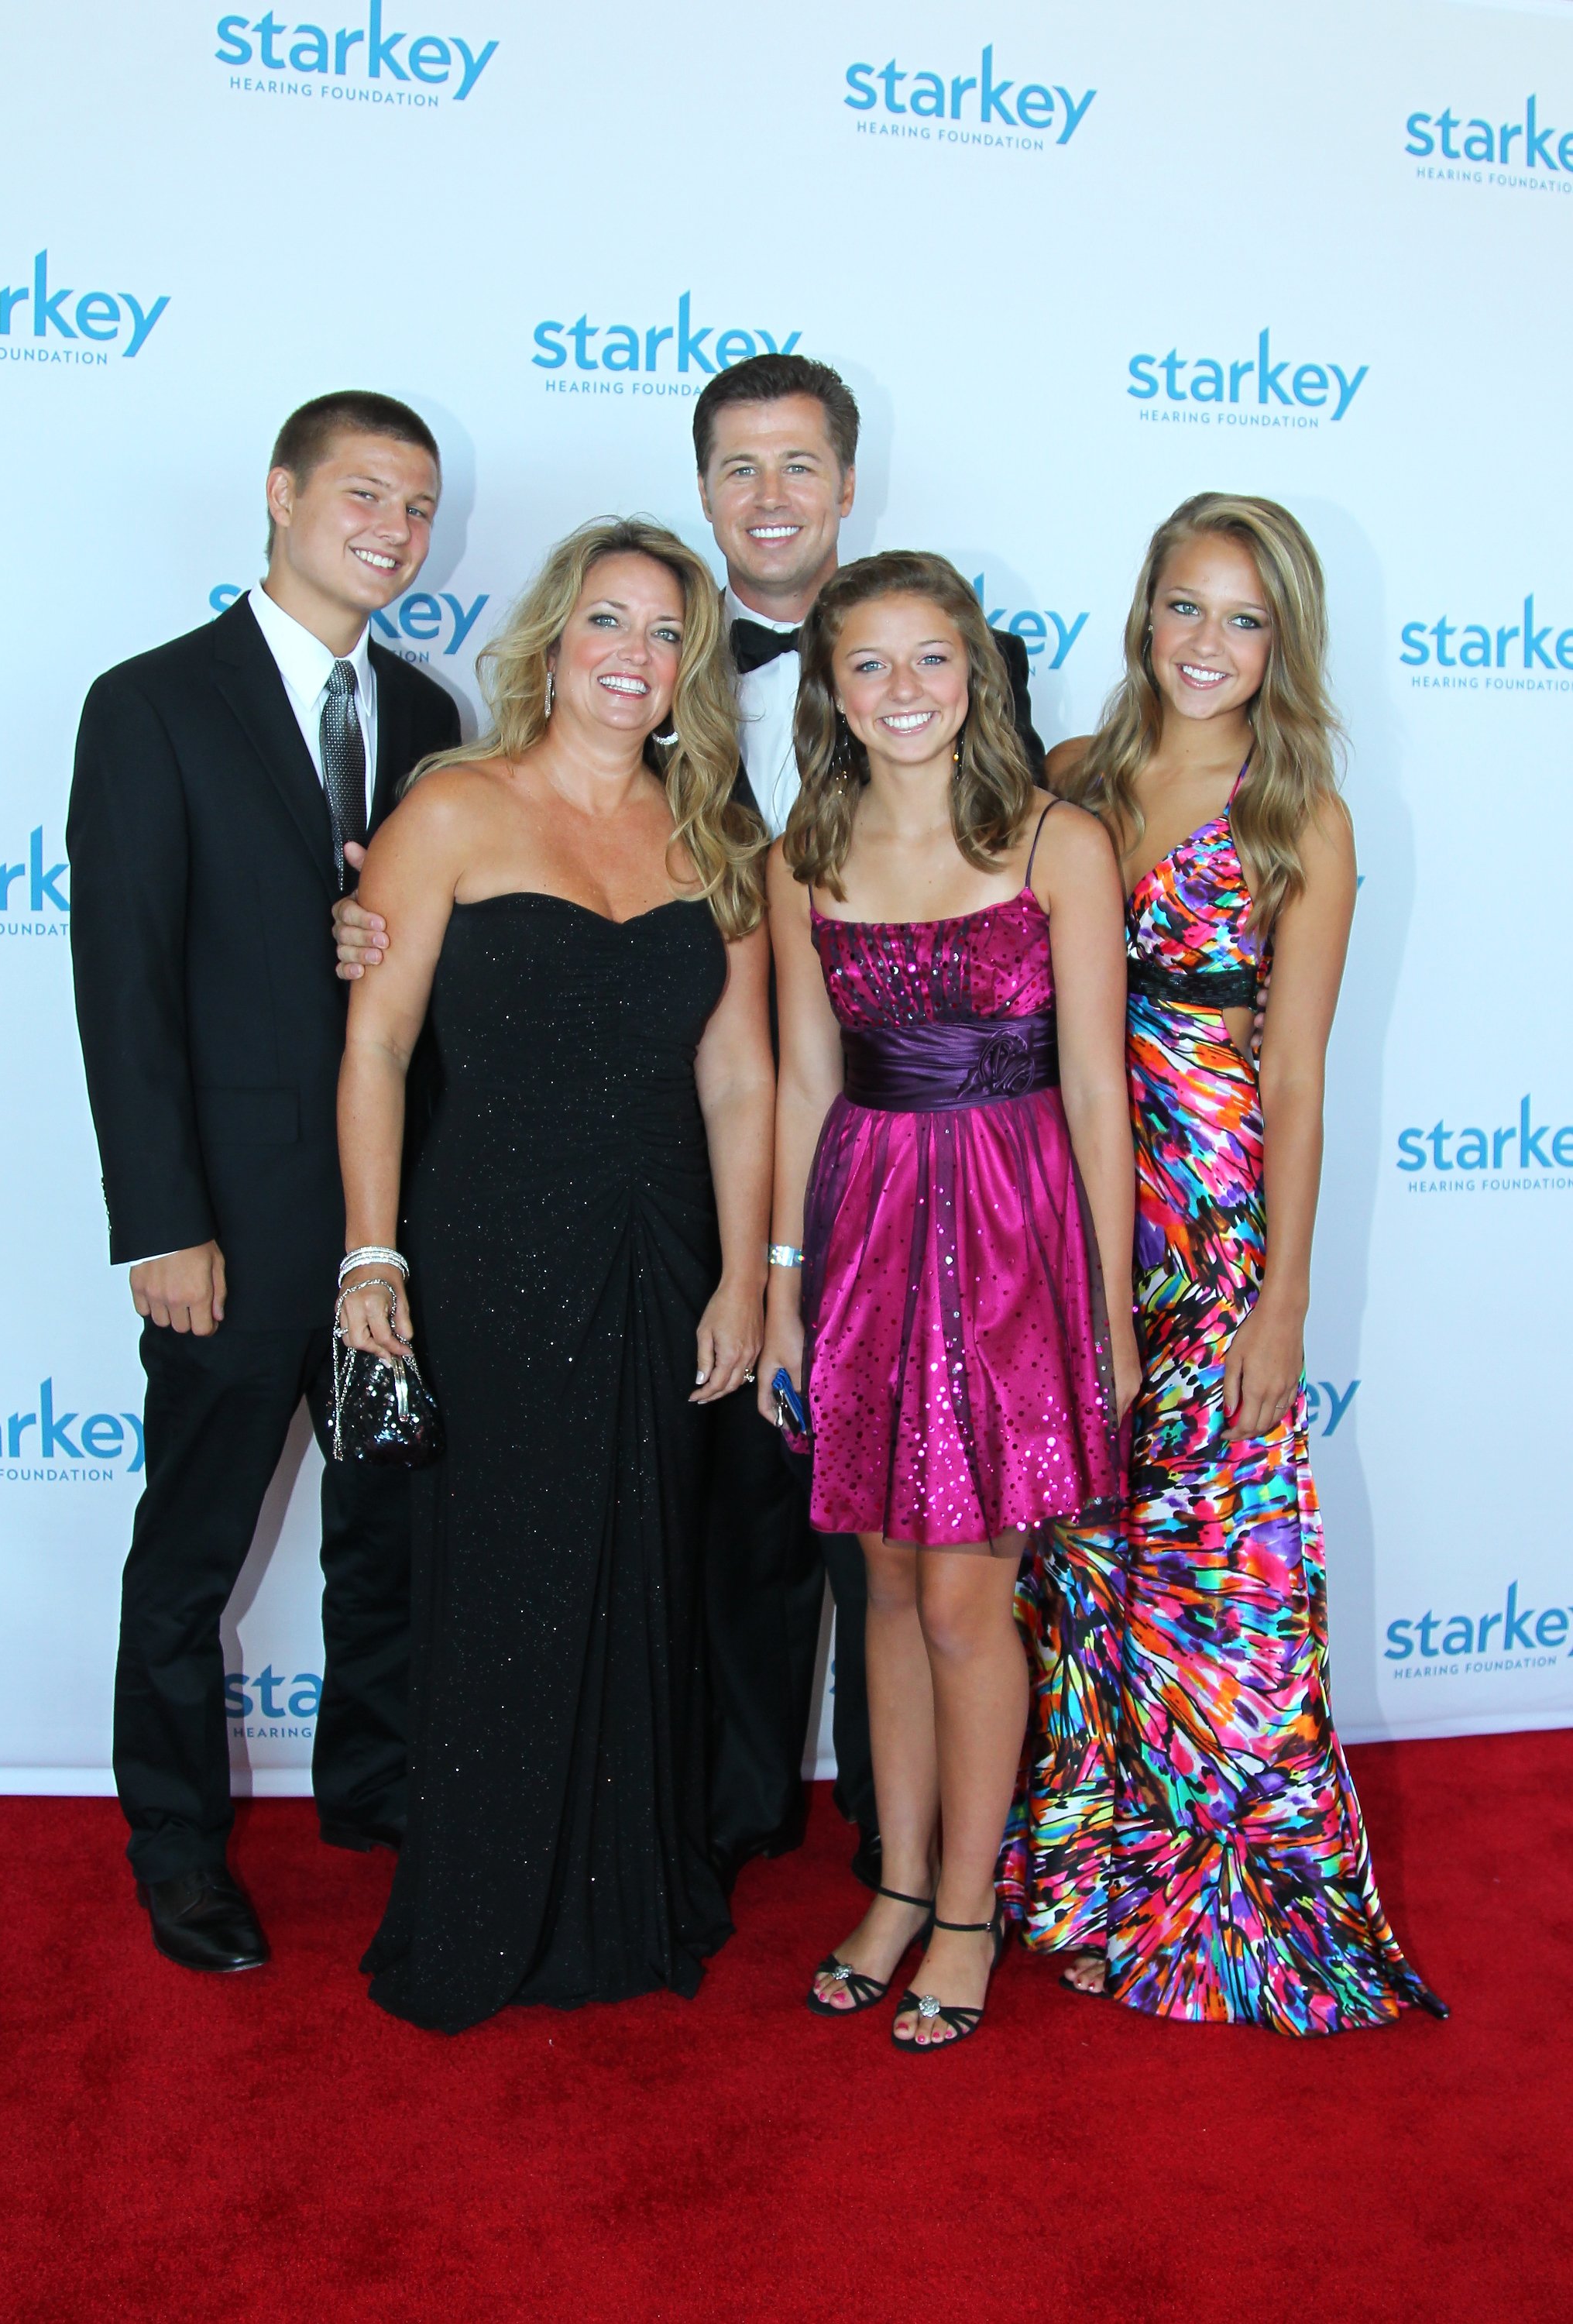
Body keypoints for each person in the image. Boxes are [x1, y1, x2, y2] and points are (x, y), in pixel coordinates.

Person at [331, 352, 1046, 1896]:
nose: (770, 494)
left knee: (895, 1549)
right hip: (663, 1183)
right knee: (707, 1530)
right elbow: (424, 991)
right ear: (705, 487)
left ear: (846, 485)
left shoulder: (926, 671)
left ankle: (900, 1856)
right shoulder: (601, 760)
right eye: (738, 467)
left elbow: (1018, 914)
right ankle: (719, 1820)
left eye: (799, 465)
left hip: (911, 1173)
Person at [1008, 493, 1444, 2033]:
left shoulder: (1294, 816)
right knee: (1078, 1567)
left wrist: (1284, 1302)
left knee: (1221, 1581)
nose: (1206, 644)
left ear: (1282, 645)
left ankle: (1236, 1899)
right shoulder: (1067, 781)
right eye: (1184, 608)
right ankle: (1088, 1878)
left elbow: (1301, 1079)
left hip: (1208, 1244)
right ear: (1141, 617)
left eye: (1241, 620)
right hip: (1054, 1223)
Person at [335, 518, 772, 2035]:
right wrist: (370, 1252)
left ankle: (622, 1890)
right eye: (607, 621)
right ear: (552, 638)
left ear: (687, 671)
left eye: (663, 635)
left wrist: (749, 1280)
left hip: (663, 1251)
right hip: (488, 1245)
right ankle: (483, 1899)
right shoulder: (453, 808)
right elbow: (377, 1044)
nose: (632, 657)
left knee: (643, 1561)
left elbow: (738, 1078)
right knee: (508, 1569)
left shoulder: (714, 831)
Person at [67, 391, 462, 1971]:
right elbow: (123, 984)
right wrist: (164, 1219)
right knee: (193, 1550)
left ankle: (374, 1791)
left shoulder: (431, 721)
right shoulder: (153, 704)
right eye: (364, 491)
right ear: (285, 493)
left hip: (397, 1229)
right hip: (226, 1227)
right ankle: (174, 1843)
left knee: (389, 1535)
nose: (393, 525)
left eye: (419, 505)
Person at [757, 552, 1137, 2051]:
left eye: (932, 660)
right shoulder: (806, 851)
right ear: (832, 690)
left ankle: (970, 1913)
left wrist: (1103, 1305)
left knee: (974, 1597)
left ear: (974, 675)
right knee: (892, 1590)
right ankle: (901, 1884)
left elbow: (1099, 1092)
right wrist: (785, 1288)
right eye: (870, 665)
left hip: (1011, 1234)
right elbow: (801, 1080)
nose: (903, 690)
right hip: (860, 1232)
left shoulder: (1059, 840)